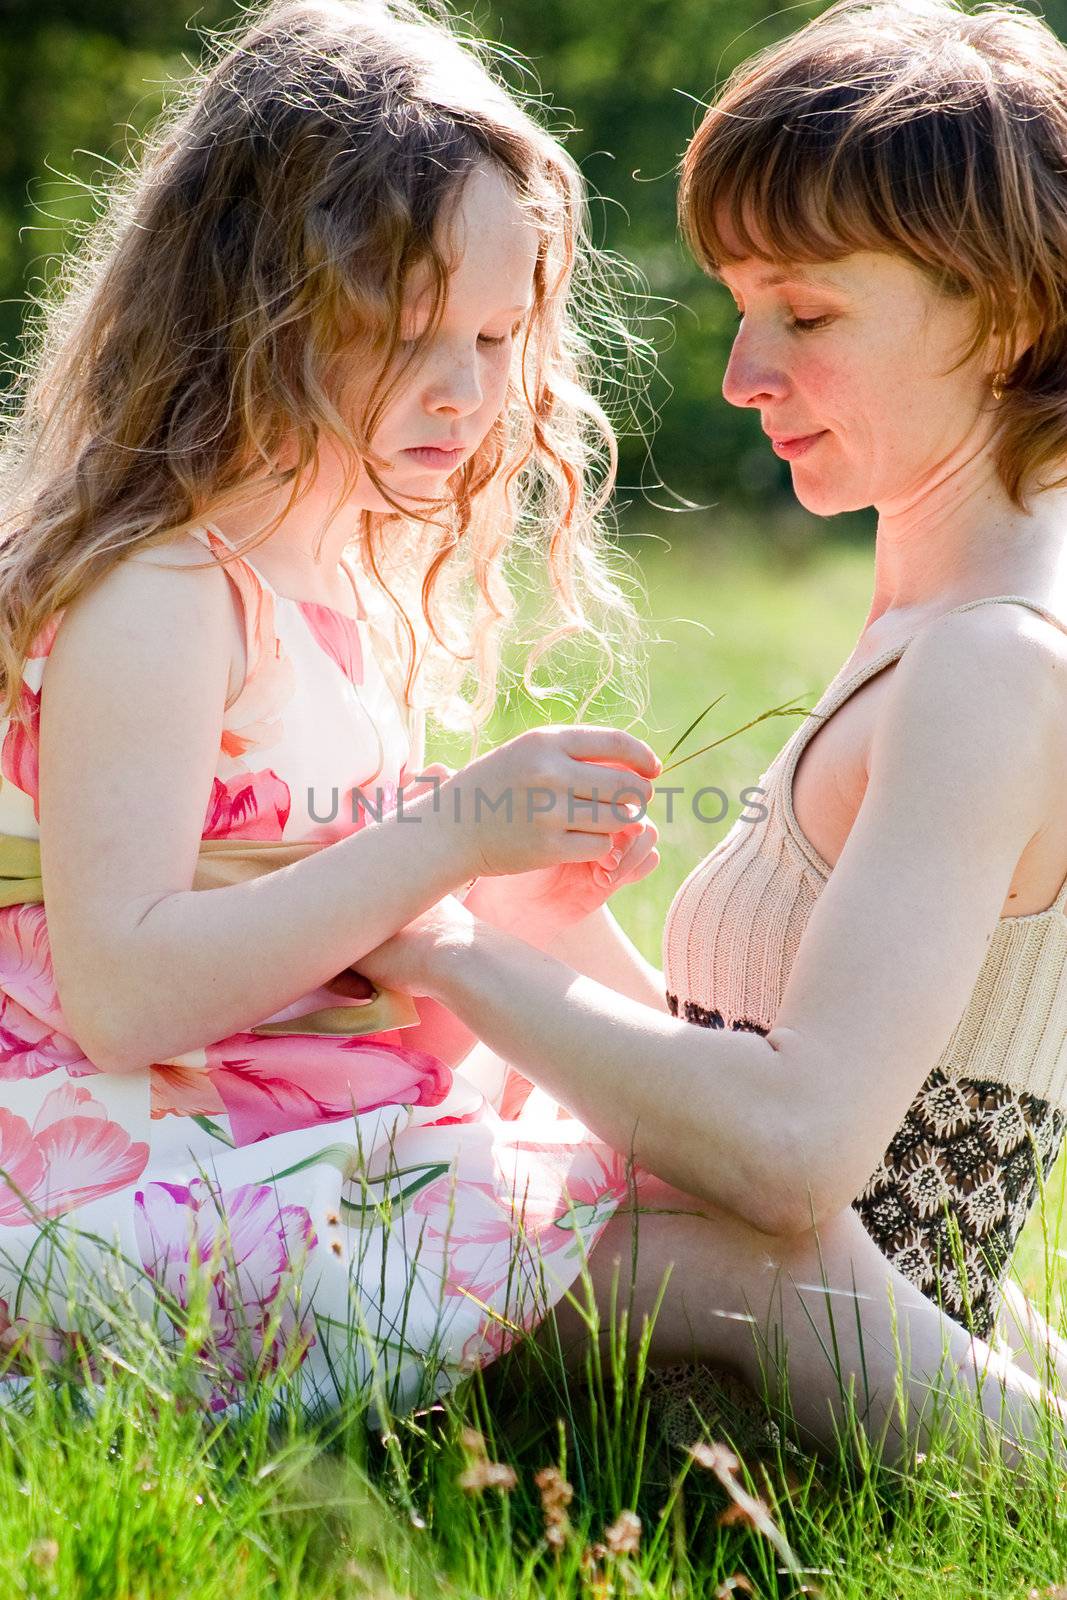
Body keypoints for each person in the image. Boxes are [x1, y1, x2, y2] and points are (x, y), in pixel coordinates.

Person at [354, 0, 1067, 1470]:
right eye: (743, 307)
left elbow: (802, 1156)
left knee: (280, 1249)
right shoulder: (934, 640)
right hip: (756, 1355)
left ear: (1007, 316)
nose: (746, 372)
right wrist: (552, 934)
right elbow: (793, 1078)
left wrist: (441, 949)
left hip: (808, 1405)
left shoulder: (991, 667)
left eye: (805, 314)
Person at [0, 0, 665, 1417]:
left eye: (498, 337)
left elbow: (330, 941)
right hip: (117, 1192)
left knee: (713, 1195)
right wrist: (439, 848)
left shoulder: (334, 578)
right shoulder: (165, 589)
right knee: (721, 1256)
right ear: (252, 310)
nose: (470, 392)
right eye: (410, 332)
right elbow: (124, 994)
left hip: (257, 1145)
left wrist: (522, 901)